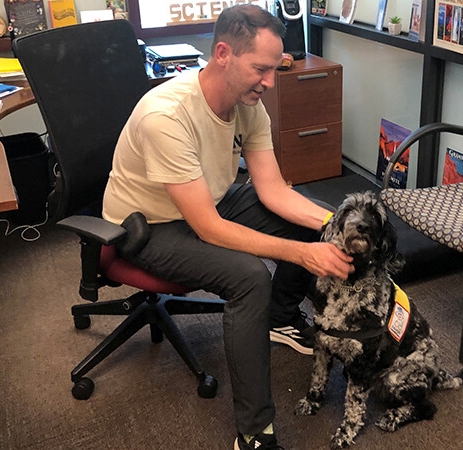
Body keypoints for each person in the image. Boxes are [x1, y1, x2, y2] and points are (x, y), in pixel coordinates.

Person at [101, 5, 353, 449]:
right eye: (260, 69)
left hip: (210, 201)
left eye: (274, 69)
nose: (270, 81)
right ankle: (254, 433)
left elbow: (273, 191)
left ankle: (280, 319)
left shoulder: (247, 104)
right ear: (223, 54)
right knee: (249, 277)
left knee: (314, 220)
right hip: (149, 227)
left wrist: (338, 226)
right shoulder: (167, 116)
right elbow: (209, 229)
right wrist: (302, 255)